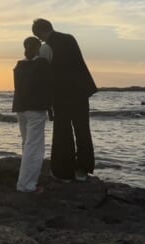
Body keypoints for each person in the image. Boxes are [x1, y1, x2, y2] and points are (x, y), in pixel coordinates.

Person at [31, 17, 97, 182]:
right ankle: (83, 169)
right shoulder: (69, 38)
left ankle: (64, 170)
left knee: (63, 131)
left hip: (62, 94)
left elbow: (44, 74)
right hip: (81, 91)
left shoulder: (46, 48)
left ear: (40, 33)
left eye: (39, 37)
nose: (40, 40)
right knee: (82, 130)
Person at [12, 35, 53, 193]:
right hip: (35, 109)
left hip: (20, 108)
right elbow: (48, 86)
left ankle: (26, 180)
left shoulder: (19, 65)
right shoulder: (42, 64)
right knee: (34, 147)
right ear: (38, 48)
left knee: (27, 144)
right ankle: (26, 185)